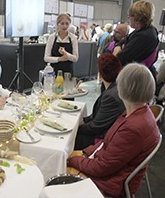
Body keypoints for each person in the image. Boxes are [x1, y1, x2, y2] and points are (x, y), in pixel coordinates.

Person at [67, 63, 160, 197]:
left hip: (109, 183)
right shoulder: (139, 112)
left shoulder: (134, 127)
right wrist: (86, 153)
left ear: (122, 88)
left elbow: (102, 168)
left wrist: (73, 160)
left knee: (54, 168)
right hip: (108, 168)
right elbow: (106, 142)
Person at [75, 53, 125, 150]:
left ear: (100, 73)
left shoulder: (111, 96)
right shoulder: (115, 88)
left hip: (101, 140)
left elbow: (95, 127)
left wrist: (74, 128)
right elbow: (98, 118)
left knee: (66, 140)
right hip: (107, 133)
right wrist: (81, 121)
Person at [114, 0, 159, 69]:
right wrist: (119, 46)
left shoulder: (145, 35)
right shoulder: (142, 30)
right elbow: (122, 41)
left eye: (131, 15)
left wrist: (118, 49)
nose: (128, 17)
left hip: (134, 75)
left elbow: (120, 58)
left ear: (139, 17)